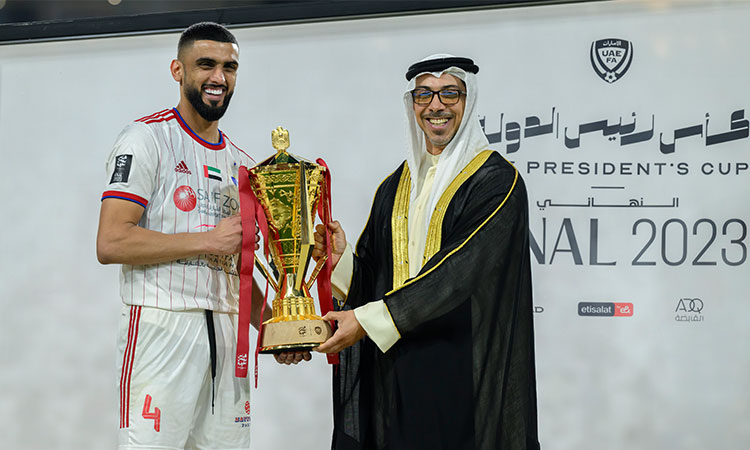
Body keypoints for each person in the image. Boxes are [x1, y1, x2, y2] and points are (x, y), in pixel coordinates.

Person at [312, 55, 541, 449]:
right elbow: (377, 275)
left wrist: (367, 322)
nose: (436, 106)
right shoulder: (396, 185)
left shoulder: (497, 182)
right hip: (394, 372)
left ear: (468, 102)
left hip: (460, 371)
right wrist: (341, 260)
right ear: (412, 104)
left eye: (450, 93)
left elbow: (455, 275)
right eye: (424, 95)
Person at [96, 22, 271, 449]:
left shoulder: (243, 165)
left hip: (229, 334)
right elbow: (111, 242)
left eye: (229, 67)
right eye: (205, 65)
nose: (219, 78)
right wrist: (208, 240)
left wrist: (275, 329)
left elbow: (240, 268)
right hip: (163, 324)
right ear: (178, 70)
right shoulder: (146, 139)